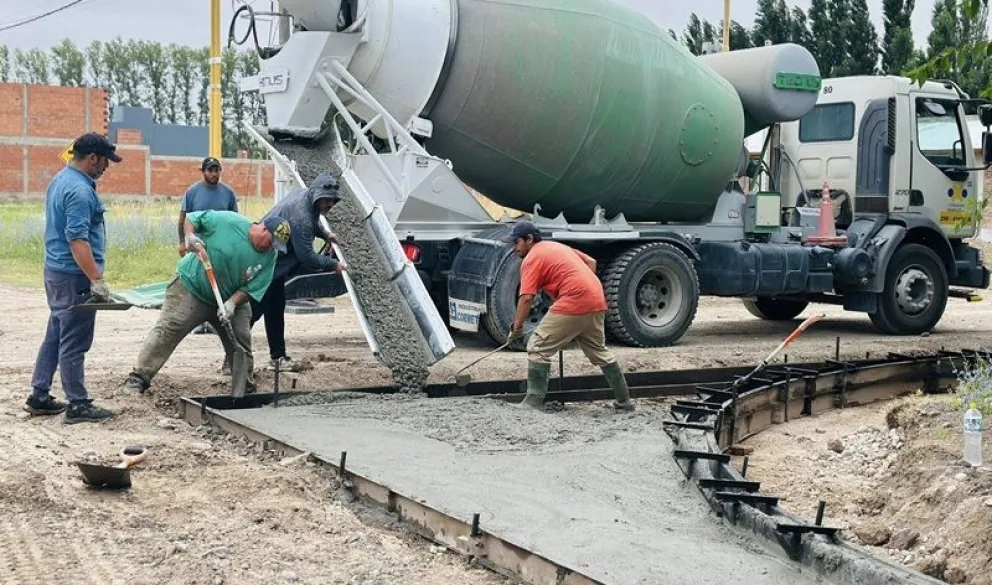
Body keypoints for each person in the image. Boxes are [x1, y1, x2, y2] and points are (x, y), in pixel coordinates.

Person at [122, 210, 291, 395]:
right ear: (264, 229)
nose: (271, 248)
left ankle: (244, 389)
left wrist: (232, 303)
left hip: (231, 299)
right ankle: (138, 378)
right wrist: (190, 236)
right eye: (271, 242)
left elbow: (254, 288)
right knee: (169, 329)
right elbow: (192, 219)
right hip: (192, 287)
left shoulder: (270, 256)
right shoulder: (228, 222)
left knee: (241, 342)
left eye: (276, 246)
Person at [23, 132, 122, 424]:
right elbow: (77, 239)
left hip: (55, 271)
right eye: (104, 161)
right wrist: (96, 279)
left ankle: (39, 395)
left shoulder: (61, 179)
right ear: (92, 158)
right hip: (73, 275)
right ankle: (78, 403)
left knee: (56, 333)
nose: (106, 167)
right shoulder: (79, 191)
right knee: (74, 340)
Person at [507, 221, 634, 411]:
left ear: (529, 239)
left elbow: (526, 298)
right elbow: (591, 262)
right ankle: (624, 402)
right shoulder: (557, 247)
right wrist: (580, 289)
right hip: (596, 299)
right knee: (599, 351)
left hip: (575, 300)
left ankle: (532, 402)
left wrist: (516, 329)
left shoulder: (532, 258)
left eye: (516, 243)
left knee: (537, 347)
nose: (513, 248)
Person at [251, 172, 348, 367]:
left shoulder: (304, 197)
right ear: (317, 196)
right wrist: (334, 264)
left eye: (332, 201)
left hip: (274, 266)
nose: (330, 205)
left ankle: (277, 357)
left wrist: (326, 235)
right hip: (266, 265)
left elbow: (314, 223)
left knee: (275, 309)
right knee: (252, 312)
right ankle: (233, 359)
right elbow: (308, 257)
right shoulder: (302, 217)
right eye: (327, 200)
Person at [177, 157, 239, 336]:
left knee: (220, 281)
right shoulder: (192, 192)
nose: (214, 174)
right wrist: (182, 242)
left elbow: (234, 220)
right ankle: (199, 321)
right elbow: (182, 219)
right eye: (210, 170)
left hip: (221, 246)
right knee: (199, 282)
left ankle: (218, 320)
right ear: (203, 171)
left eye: (216, 170)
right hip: (198, 245)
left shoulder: (228, 193)